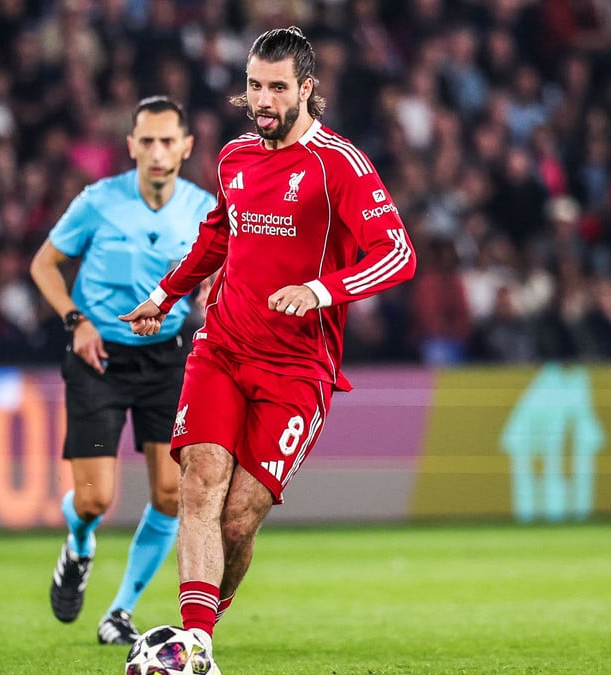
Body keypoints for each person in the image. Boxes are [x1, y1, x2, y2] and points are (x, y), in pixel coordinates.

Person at [119, 26, 417, 665]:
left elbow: (397, 254)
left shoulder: (339, 164)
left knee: (237, 520)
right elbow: (217, 236)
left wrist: (320, 290)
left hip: (297, 369)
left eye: (277, 88)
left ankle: (202, 627)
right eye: (254, 85)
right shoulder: (234, 158)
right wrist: (165, 295)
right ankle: (195, 644)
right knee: (199, 482)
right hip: (222, 349)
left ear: (307, 89)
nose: (262, 99)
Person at [30, 96, 214, 644]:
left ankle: (120, 612)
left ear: (186, 147)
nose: (157, 152)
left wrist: (209, 295)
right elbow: (44, 264)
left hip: (167, 359)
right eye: (147, 141)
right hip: (99, 361)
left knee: (171, 495)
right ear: (131, 146)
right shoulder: (98, 202)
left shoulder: (205, 210)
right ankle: (79, 544)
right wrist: (76, 321)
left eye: (167, 142)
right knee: (93, 499)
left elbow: (214, 278)